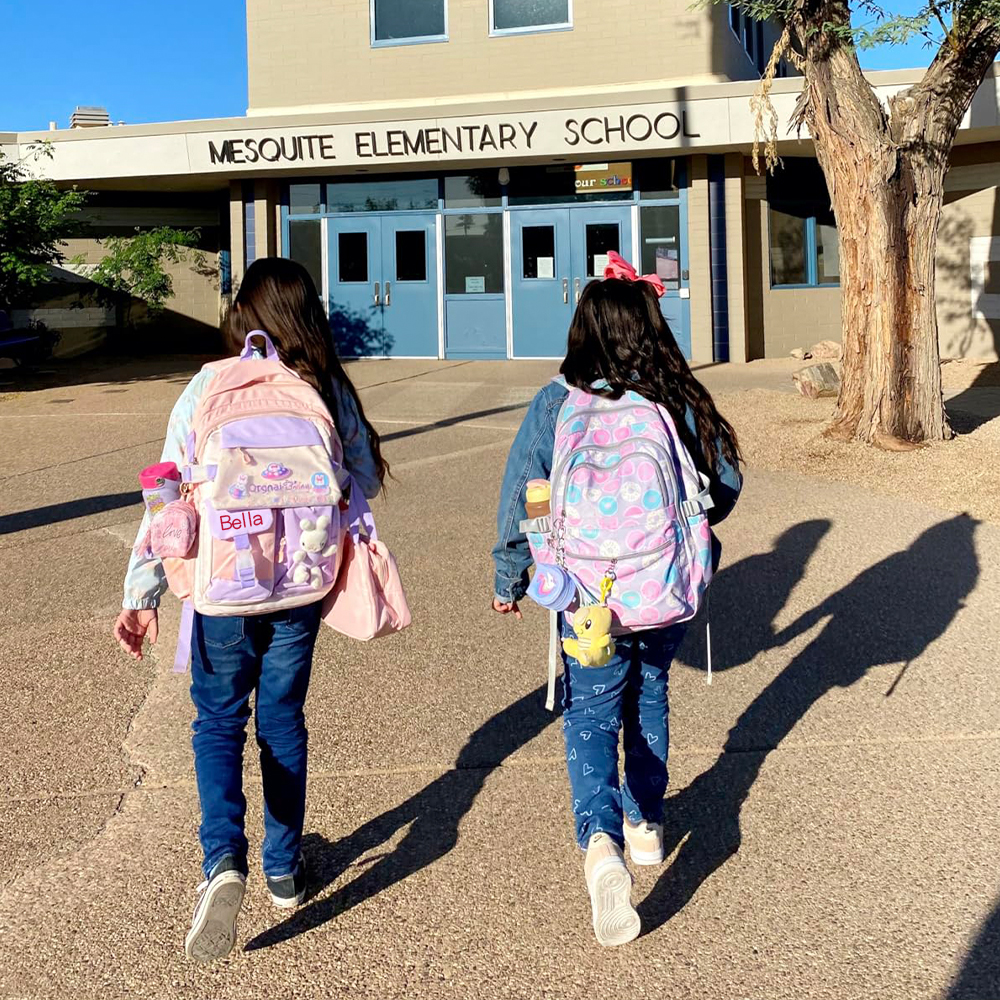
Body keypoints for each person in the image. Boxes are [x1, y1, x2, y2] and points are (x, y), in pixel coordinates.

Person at [112, 258, 387, 962]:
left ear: (244, 313)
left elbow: (167, 491)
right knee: (283, 719)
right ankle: (285, 868)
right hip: (300, 585)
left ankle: (223, 861)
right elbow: (359, 481)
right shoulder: (323, 387)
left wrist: (142, 592)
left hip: (220, 590)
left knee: (217, 722)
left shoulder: (208, 385)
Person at [491, 264, 741, 946]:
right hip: (661, 583)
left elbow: (524, 491)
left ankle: (599, 845)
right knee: (651, 690)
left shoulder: (557, 400)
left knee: (592, 710)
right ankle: (645, 823)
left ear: (582, 332)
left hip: (585, 594)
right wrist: (694, 529)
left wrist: (509, 574)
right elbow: (727, 482)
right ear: (651, 329)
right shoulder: (671, 396)